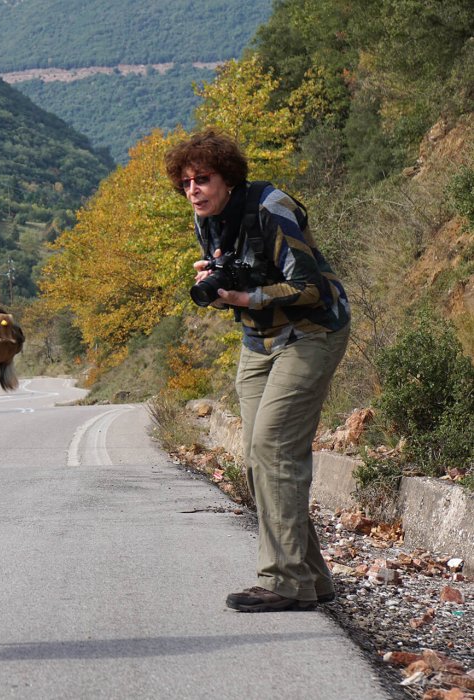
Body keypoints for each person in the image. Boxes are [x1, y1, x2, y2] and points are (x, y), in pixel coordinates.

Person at [163, 129, 351, 612]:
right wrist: (219, 277)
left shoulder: (272, 209)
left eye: (202, 179)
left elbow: (310, 287)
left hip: (311, 332)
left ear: (228, 177)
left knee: (274, 449)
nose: (193, 191)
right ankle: (311, 576)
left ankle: (284, 582)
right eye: (185, 183)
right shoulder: (206, 218)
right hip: (259, 339)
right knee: (256, 455)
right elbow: (238, 271)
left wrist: (249, 296)